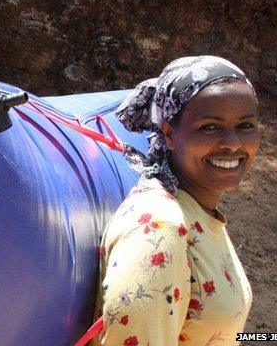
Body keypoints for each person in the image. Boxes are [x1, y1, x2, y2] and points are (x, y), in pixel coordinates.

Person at [92, 56, 260, 345]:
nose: (233, 142)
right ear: (170, 134)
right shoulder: (161, 228)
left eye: (245, 125)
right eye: (209, 127)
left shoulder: (196, 209)